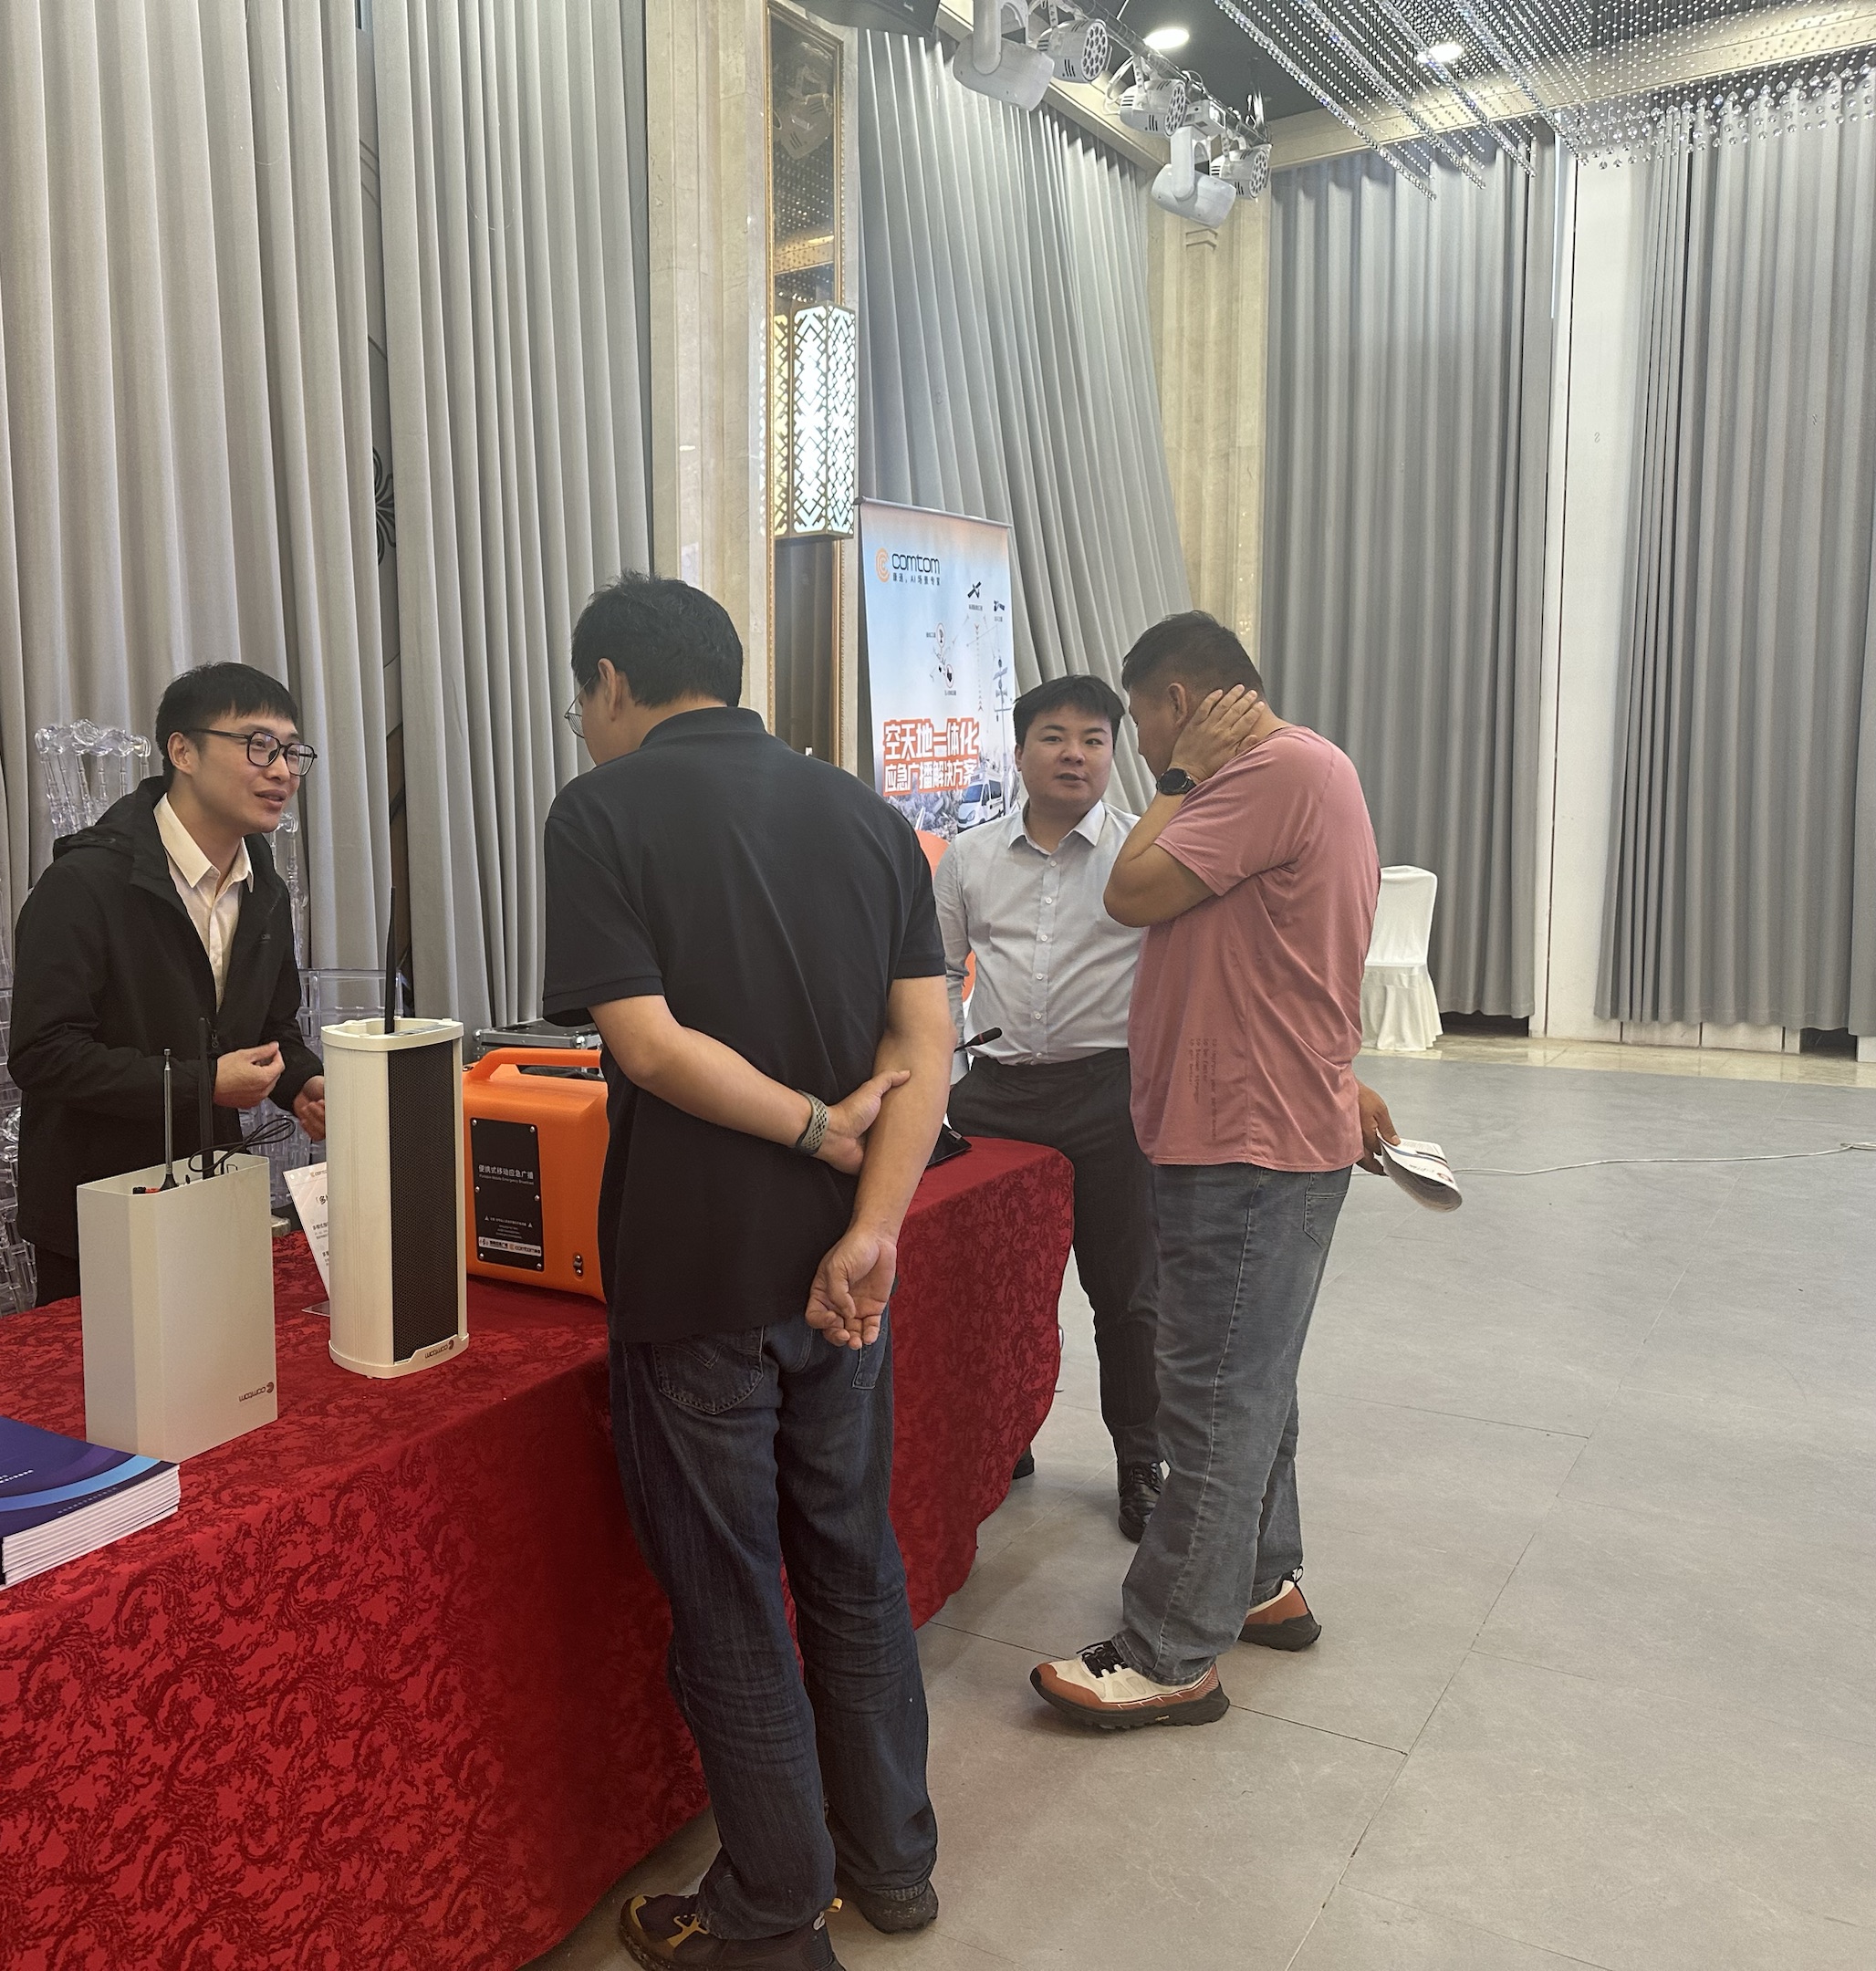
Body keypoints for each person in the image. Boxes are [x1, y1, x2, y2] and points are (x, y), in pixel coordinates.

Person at [542, 574, 954, 1969]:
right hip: (845, 1273)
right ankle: (893, 1863)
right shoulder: (868, 815)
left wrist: (810, 1126)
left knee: (728, 1594)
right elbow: (926, 1050)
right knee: (851, 1558)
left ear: (612, 683)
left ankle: (773, 1910)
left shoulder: (601, 811)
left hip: (699, 1264)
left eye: (582, 697)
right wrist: (873, 1227)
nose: (584, 720)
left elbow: (648, 1047)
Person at [1029, 611, 1396, 1730]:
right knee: (1251, 1382)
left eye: (1138, 724)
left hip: (1244, 1139)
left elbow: (1129, 891)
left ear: (1179, 704)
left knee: (1211, 1401)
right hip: (1259, 1124)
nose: (1135, 749)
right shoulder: (1306, 771)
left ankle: (1171, 1648)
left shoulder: (1264, 772)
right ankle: (1259, 1578)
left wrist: (1183, 775)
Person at [8, 663, 327, 1305]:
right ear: (182, 751)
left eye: (292, 752)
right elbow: (44, 1055)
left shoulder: (263, 887)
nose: (282, 771)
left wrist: (300, 1084)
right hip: (97, 1206)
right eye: (259, 745)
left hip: (210, 1189)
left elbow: (271, 1027)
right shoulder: (85, 884)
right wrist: (204, 1083)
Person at [935, 673, 1164, 1540]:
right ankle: (1005, 1437)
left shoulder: (1143, 855)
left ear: (1113, 753)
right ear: (1020, 748)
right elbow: (937, 976)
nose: (1076, 754)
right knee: (995, 1290)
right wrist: (938, 1089)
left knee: (1126, 1293)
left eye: (1094, 739)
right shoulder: (969, 857)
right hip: (994, 1097)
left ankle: (1140, 1458)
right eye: (1055, 737)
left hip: (1109, 1094)